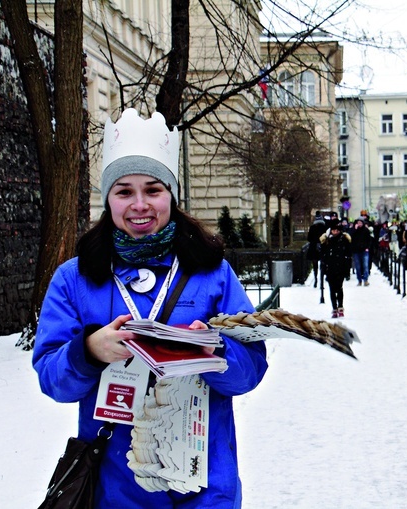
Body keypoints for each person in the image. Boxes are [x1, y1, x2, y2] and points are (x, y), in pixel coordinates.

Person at [33, 109, 268, 508]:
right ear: (108, 198)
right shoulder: (74, 278)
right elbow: (53, 380)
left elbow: (251, 371)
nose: (140, 205)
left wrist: (216, 353)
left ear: (171, 195)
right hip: (115, 487)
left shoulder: (213, 273)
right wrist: (89, 351)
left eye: (153, 190)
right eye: (124, 191)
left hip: (204, 480)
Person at [320, 219, 352, 317]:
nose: (335, 232)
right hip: (330, 268)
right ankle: (334, 308)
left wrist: (347, 270)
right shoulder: (327, 241)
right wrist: (324, 268)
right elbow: (323, 255)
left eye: (337, 230)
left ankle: (340, 306)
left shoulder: (344, 240)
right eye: (334, 230)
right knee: (332, 289)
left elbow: (348, 255)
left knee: (339, 288)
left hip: (341, 267)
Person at [349, 217, 372, 286]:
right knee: (358, 266)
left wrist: (367, 247)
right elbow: (350, 237)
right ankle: (359, 280)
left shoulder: (366, 230)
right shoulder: (354, 230)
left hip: (364, 250)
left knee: (365, 265)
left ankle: (365, 280)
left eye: (360, 223)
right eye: (358, 223)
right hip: (356, 251)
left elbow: (369, 240)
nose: (359, 224)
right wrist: (354, 229)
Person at [307, 213, 327, 287]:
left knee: (315, 265)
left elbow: (309, 238)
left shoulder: (312, 227)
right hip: (323, 246)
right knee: (323, 264)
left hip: (313, 247)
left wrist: (314, 241)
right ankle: (321, 282)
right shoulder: (324, 227)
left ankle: (316, 279)